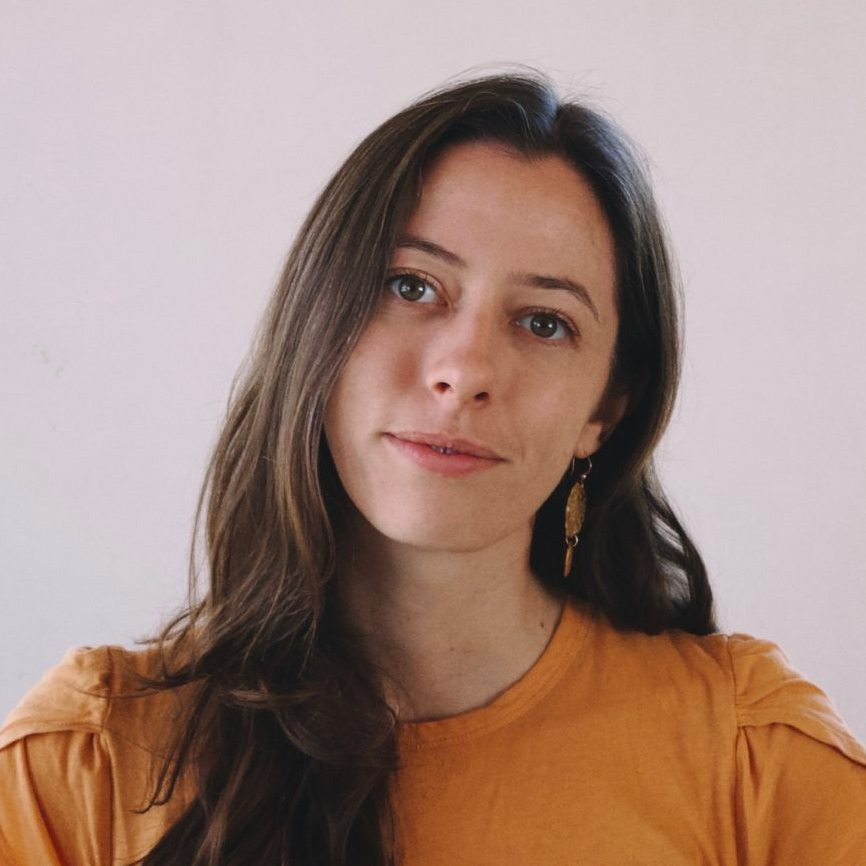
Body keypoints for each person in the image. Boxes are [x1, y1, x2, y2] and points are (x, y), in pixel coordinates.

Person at [1, 70, 864, 866]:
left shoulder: (751, 760)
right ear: (317, 324)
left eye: (544, 322)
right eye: (412, 287)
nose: (465, 370)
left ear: (603, 412)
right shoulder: (87, 765)